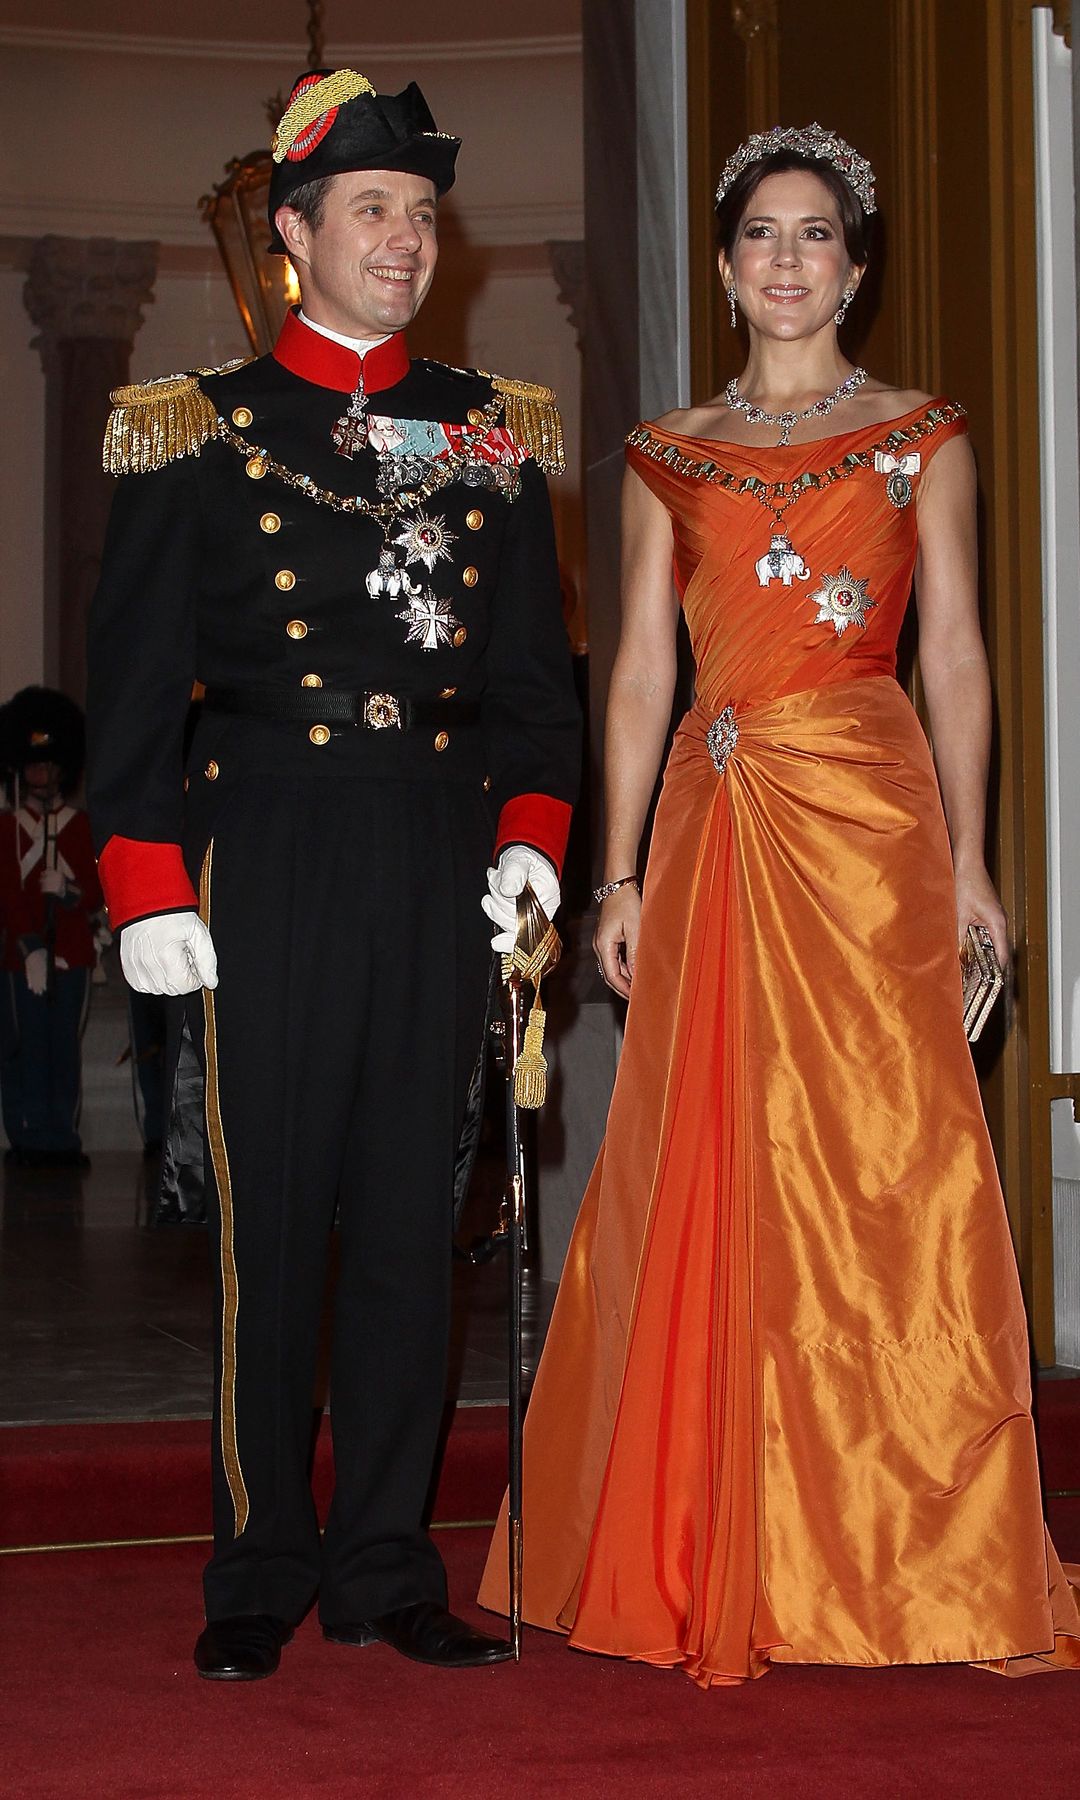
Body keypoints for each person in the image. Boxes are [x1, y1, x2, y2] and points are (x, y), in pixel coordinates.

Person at [479, 125, 1080, 1685]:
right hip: (715, 825)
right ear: (728, 264)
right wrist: (617, 872)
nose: (790, 258)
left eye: (818, 234)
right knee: (710, 1162)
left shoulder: (923, 434)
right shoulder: (665, 453)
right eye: (763, 234)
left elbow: (956, 653)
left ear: (854, 268)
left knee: (889, 1165)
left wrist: (973, 860)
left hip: (873, 827)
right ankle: (710, 1533)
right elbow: (636, 674)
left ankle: (902, 1546)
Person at [87, 69, 579, 1681]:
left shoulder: (490, 432)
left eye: (423, 212)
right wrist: (146, 883)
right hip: (273, 846)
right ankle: (259, 1563)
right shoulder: (196, 428)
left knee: (413, 1225)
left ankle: (384, 1562)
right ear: (294, 233)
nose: (406, 238)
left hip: (437, 850)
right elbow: (134, 688)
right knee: (275, 1220)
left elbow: (535, 689)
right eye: (373, 209)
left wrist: (531, 839)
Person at [0, 687, 101, 1169]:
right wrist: (30, 947)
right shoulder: (9, 829)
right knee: (26, 1046)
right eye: (33, 765)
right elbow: (7, 894)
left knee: (63, 1049)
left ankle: (61, 1134)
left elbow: (97, 893)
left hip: (72, 954)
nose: (40, 773)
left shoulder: (80, 825)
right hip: (22, 959)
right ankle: (27, 1133)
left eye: (47, 764)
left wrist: (70, 890)